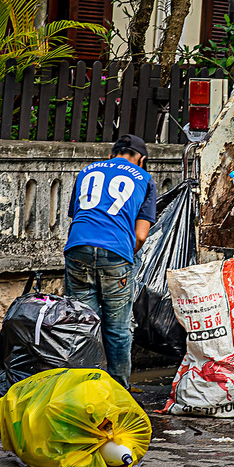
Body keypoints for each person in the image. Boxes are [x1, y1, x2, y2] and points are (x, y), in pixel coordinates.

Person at [64, 134, 157, 390]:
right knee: (117, 330)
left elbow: (79, 215)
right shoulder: (145, 178)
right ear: (142, 159)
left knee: (83, 325)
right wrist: (126, 254)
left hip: (78, 249)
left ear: (111, 154)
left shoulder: (86, 171)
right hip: (115, 255)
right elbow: (140, 235)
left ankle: (81, 390)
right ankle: (117, 391)